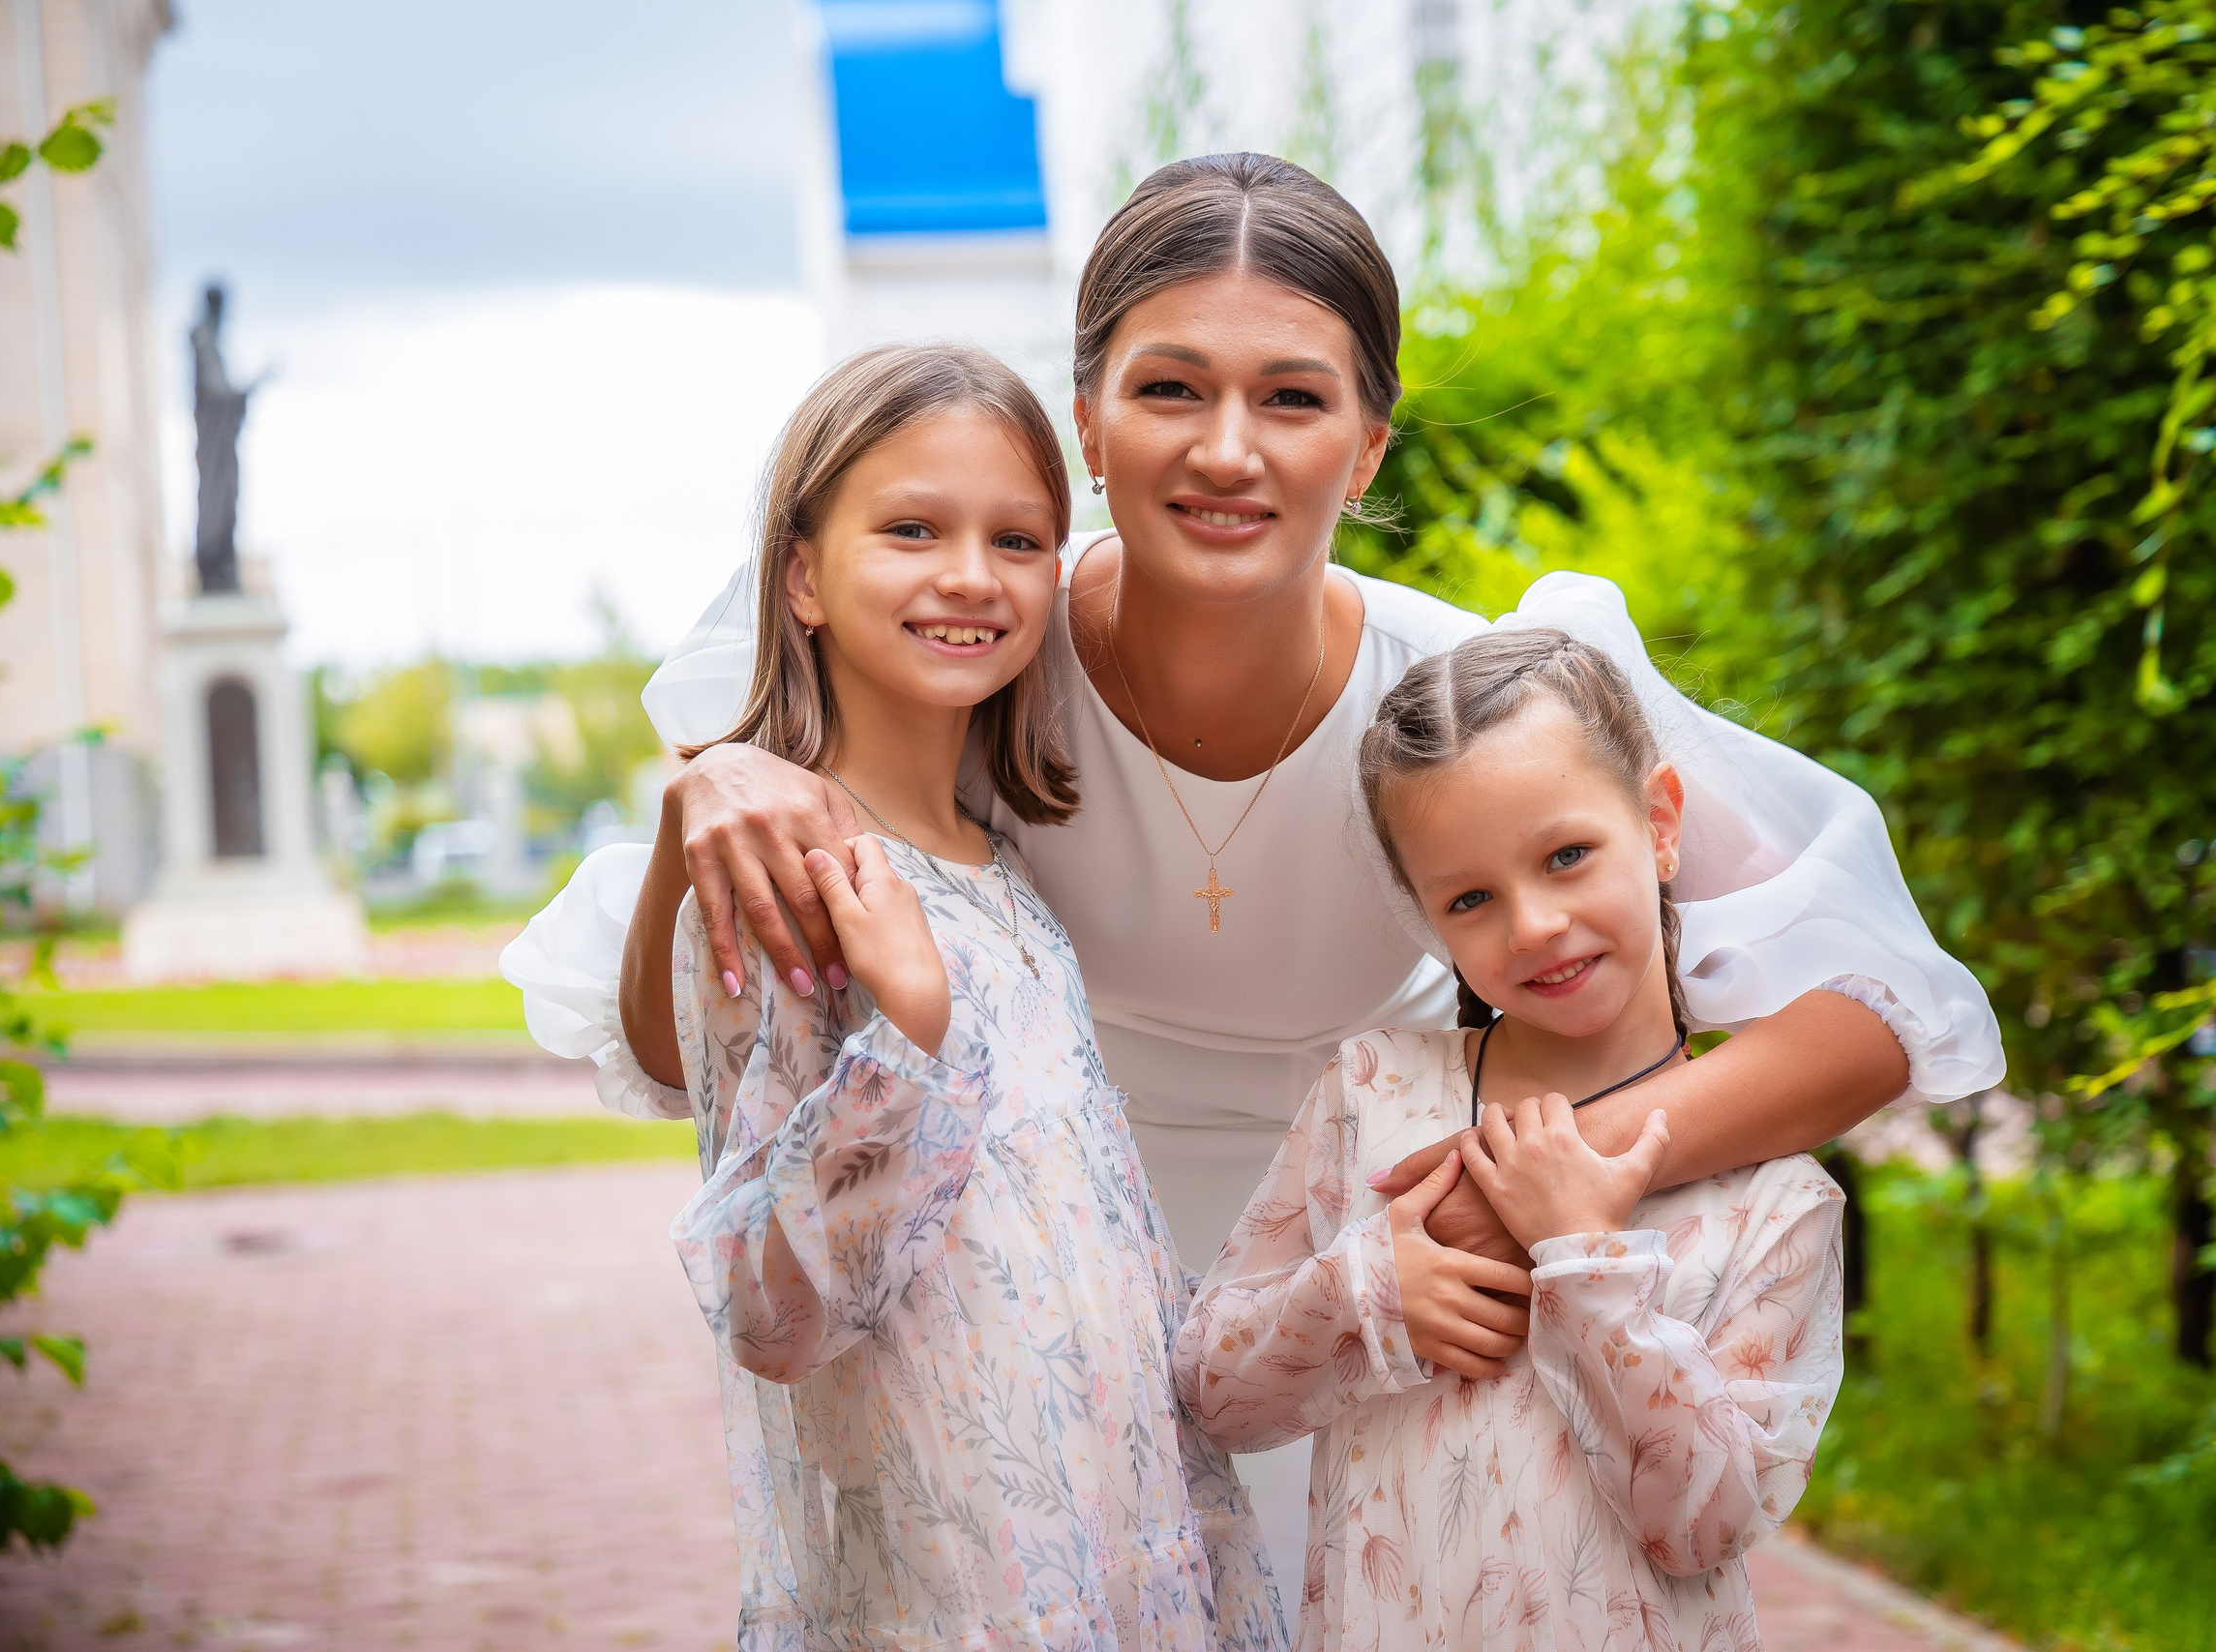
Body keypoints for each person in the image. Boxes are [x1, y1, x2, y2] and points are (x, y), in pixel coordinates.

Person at [503, 151, 2001, 1573]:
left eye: (1292, 396)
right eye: (1169, 389)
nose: (1227, 449)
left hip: (1366, 1332)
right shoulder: (968, 670)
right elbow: (678, 1041)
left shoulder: (1465, 704)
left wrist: (1542, 1179)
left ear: (1368, 444)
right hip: (1021, 1348)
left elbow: (1880, 1005)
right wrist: (720, 785)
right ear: (1088, 425)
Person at [650, 343, 1278, 1651]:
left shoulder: (1002, 867)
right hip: (956, 1584)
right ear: (803, 575)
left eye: (1019, 538)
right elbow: (776, 1314)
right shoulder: (778, 876)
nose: (969, 575)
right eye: (912, 528)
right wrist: (911, 1035)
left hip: (1129, 1538)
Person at [1178, 629, 1845, 1649]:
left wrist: (1588, 1265)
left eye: (1568, 856)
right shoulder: (1373, 1095)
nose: (1532, 924)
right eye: (1470, 898)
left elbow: (1704, 1524)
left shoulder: (1779, 1201)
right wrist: (1363, 1292)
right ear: (1427, 915)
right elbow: (1211, 1397)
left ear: (1659, 824)